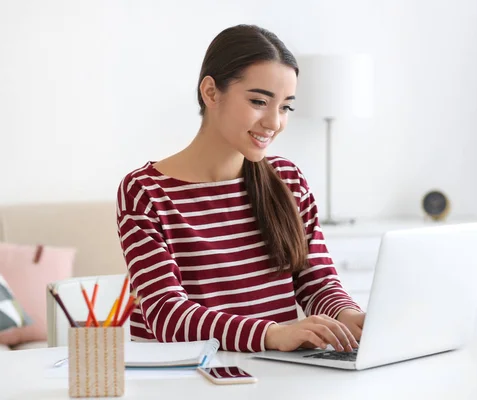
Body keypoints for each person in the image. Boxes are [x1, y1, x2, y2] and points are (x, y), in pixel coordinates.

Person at [115, 24, 365, 353]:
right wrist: (273, 335)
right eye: (260, 101)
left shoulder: (288, 180)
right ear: (211, 92)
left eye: (286, 106)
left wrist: (348, 315)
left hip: (276, 378)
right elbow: (167, 316)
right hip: (187, 382)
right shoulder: (145, 193)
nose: (274, 122)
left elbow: (316, 281)